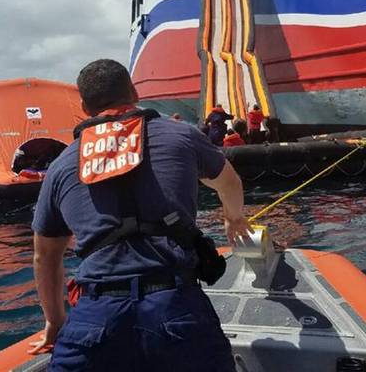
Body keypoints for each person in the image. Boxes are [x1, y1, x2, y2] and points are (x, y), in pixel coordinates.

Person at [29, 59, 251, 371]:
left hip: (95, 315)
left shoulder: (61, 165)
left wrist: (54, 320)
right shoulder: (181, 136)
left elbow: (45, 256)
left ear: (83, 107)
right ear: (133, 92)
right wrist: (233, 217)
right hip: (175, 307)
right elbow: (229, 183)